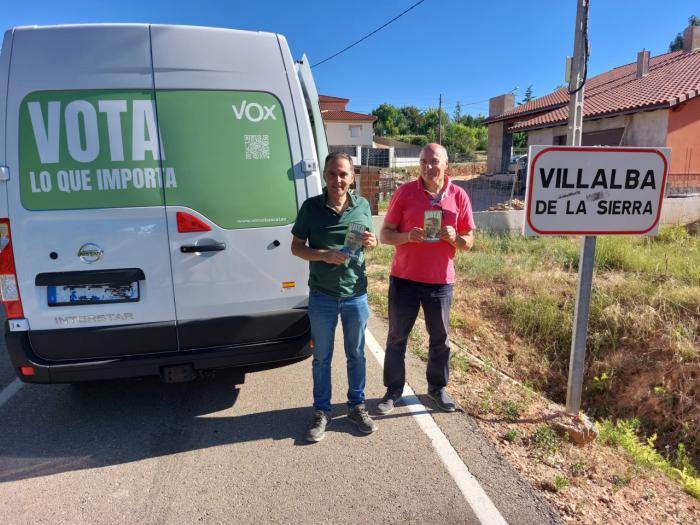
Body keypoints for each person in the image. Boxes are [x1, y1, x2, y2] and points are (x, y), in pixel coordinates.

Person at [377, 143, 475, 414]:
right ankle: (393, 390)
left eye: (433, 162)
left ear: (446, 165)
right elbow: (385, 234)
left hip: (440, 282)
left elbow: (469, 241)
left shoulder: (459, 196)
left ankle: (437, 388)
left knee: (440, 338)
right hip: (404, 279)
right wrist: (407, 236)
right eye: (423, 162)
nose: (428, 167)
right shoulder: (404, 192)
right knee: (397, 336)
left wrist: (457, 239)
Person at [291, 152, 379, 442]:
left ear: (352, 177)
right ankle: (322, 412)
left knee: (355, 355)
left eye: (343, 174)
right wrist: (323, 255)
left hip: (356, 294)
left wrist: (372, 241)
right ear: (325, 176)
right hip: (323, 296)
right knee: (322, 358)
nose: (337, 180)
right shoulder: (310, 208)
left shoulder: (362, 206)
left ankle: (356, 406)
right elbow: (296, 247)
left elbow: (370, 241)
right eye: (332, 174)